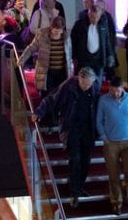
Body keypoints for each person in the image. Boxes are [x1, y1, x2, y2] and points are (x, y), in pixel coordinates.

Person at [31, 66, 100, 207]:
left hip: (87, 128)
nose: (86, 87)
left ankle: (79, 187)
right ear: (79, 79)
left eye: (89, 84)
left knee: (86, 160)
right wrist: (39, 112)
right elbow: (51, 99)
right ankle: (74, 192)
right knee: (75, 158)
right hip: (71, 127)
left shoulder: (94, 87)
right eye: (84, 84)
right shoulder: (69, 86)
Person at [96, 76, 128, 215]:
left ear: (122, 89)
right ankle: (116, 202)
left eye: (117, 91)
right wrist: (104, 138)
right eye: (112, 90)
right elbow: (99, 121)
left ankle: (125, 188)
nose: (115, 93)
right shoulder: (103, 100)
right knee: (113, 174)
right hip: (111, 142)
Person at [18, 15, 72, 110]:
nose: (57, 32)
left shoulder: (66, 37)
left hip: (62, 73)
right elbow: (31, 48)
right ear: (51, 27)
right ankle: (46, 116)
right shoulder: (42, 35)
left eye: (59, 30)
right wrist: (22, 59)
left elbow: (69, 55)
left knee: (60, 97)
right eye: (55, 29)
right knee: (46, 97)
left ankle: (56, 116)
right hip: (46, 72)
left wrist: (70, 70)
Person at [70, 3, 115, 83]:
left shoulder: (103, 24)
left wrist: (110, 55)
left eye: (97, 17)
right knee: (84, 82)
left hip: (99, 59)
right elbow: (73, 41)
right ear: (88, 14)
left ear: (100, 15)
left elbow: (107, 41)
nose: (95, 20)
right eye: (92, 17)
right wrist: (73, 57)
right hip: (84, 59)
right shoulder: (79, 25)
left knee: (97, 83)